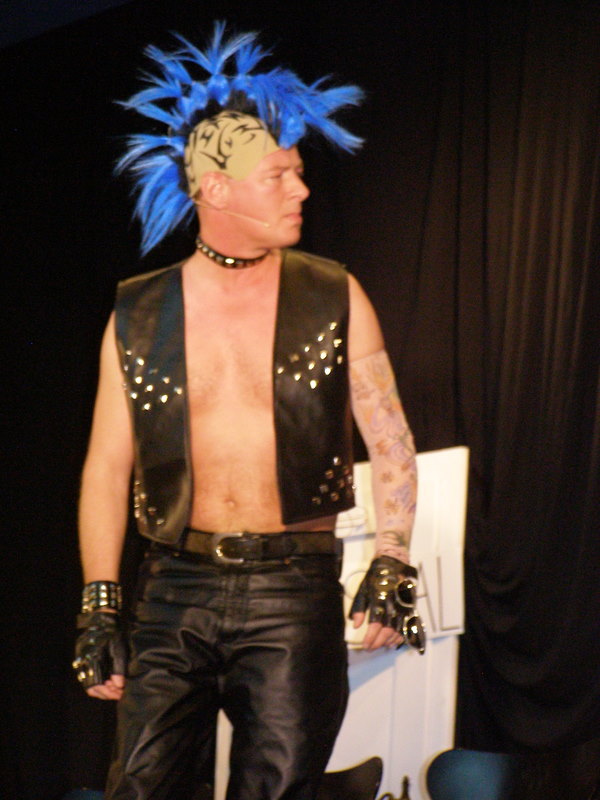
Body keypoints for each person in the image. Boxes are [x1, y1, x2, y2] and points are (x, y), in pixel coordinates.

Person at [72, 22, 423, 800]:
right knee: (142, 786)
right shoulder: (140, 312)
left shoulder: (332, 293)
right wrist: (99, 605)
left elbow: (392, 442)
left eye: (299, 172)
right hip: (172, 585)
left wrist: (393, 561)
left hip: (293, 585)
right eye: (279, 175)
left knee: (280, 787)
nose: (301, 189)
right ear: (216, 189)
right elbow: (106, 466)